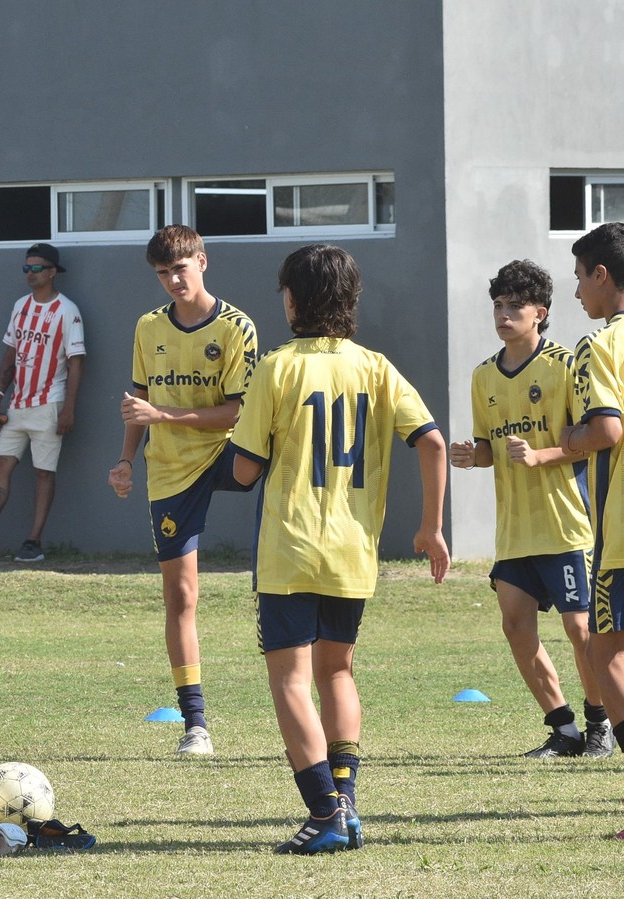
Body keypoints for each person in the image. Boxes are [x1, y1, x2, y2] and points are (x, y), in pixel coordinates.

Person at [229, 244, 448, 854]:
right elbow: (430, 442)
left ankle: (325, 813)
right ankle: (345, 801)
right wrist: (431, 527)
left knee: (290, 680)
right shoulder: (376, 367)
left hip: (291, 549)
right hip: (354, 550)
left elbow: (245, 471)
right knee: (337, 670)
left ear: (294, 299)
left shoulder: (276, 367)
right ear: (350, 300)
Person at [449, 260, 610, 758]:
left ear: (539, 312)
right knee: (516, 625)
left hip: (567, 524)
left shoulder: (565, 365)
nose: (503, 314)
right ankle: (563, 730)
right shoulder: (483, 377)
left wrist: (543, 455)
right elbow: (487, 447)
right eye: (497, 305)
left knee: (580, 629)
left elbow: (595, 438)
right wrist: (469, 456)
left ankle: (600, 725)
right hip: (515, 530)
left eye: (514, 305)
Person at [108, 225, 257, 756]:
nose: (173, 280)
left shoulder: (238, 327)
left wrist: (164, 414)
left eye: (180, 269)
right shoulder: (149, 327)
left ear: (203, 262)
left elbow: (239, 411)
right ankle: (196, 725)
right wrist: (126, 459)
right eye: (162, 273)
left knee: (267, 456)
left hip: (229, 455)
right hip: (171, 469)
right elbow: (138, 402)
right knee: (181, 595)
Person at [559, 223, 624, 814]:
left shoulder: (601, 346)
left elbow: (607, 429)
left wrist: (573, 435)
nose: (577, 292)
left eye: (580, 277)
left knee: (606, 655)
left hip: (622, 532)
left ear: (602, 275)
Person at [0, 242, 85, 563]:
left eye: (36, 269)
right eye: (26, 268)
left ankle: (33, 542)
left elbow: (76, 362)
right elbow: (10, 353)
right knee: (0, 465)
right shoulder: (21, 305)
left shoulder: (67, 311)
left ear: (51, 272)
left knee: (43, 473)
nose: (30, 274)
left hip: (50, 404)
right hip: (17, 404)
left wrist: (69, 409)